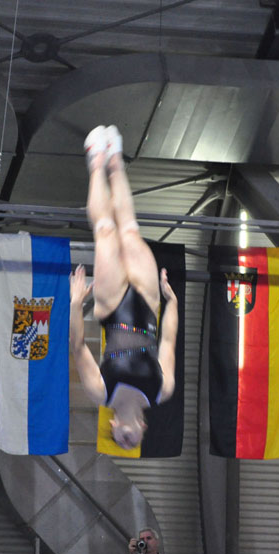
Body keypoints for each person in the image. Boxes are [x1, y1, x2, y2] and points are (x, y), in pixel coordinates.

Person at [71, 124, 179, 450]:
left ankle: (96, 162)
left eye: (119, 441)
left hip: (111, 306)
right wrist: (172, 304)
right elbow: (168, 341)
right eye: (132, 443)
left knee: (106, 231)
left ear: (113, 425)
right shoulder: (162, 390)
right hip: (148, 302)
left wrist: (75, 304)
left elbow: (78, 347)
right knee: (130, 230)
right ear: (144, 428)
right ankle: (116, 161)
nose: (126, 441)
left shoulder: (101, 392)